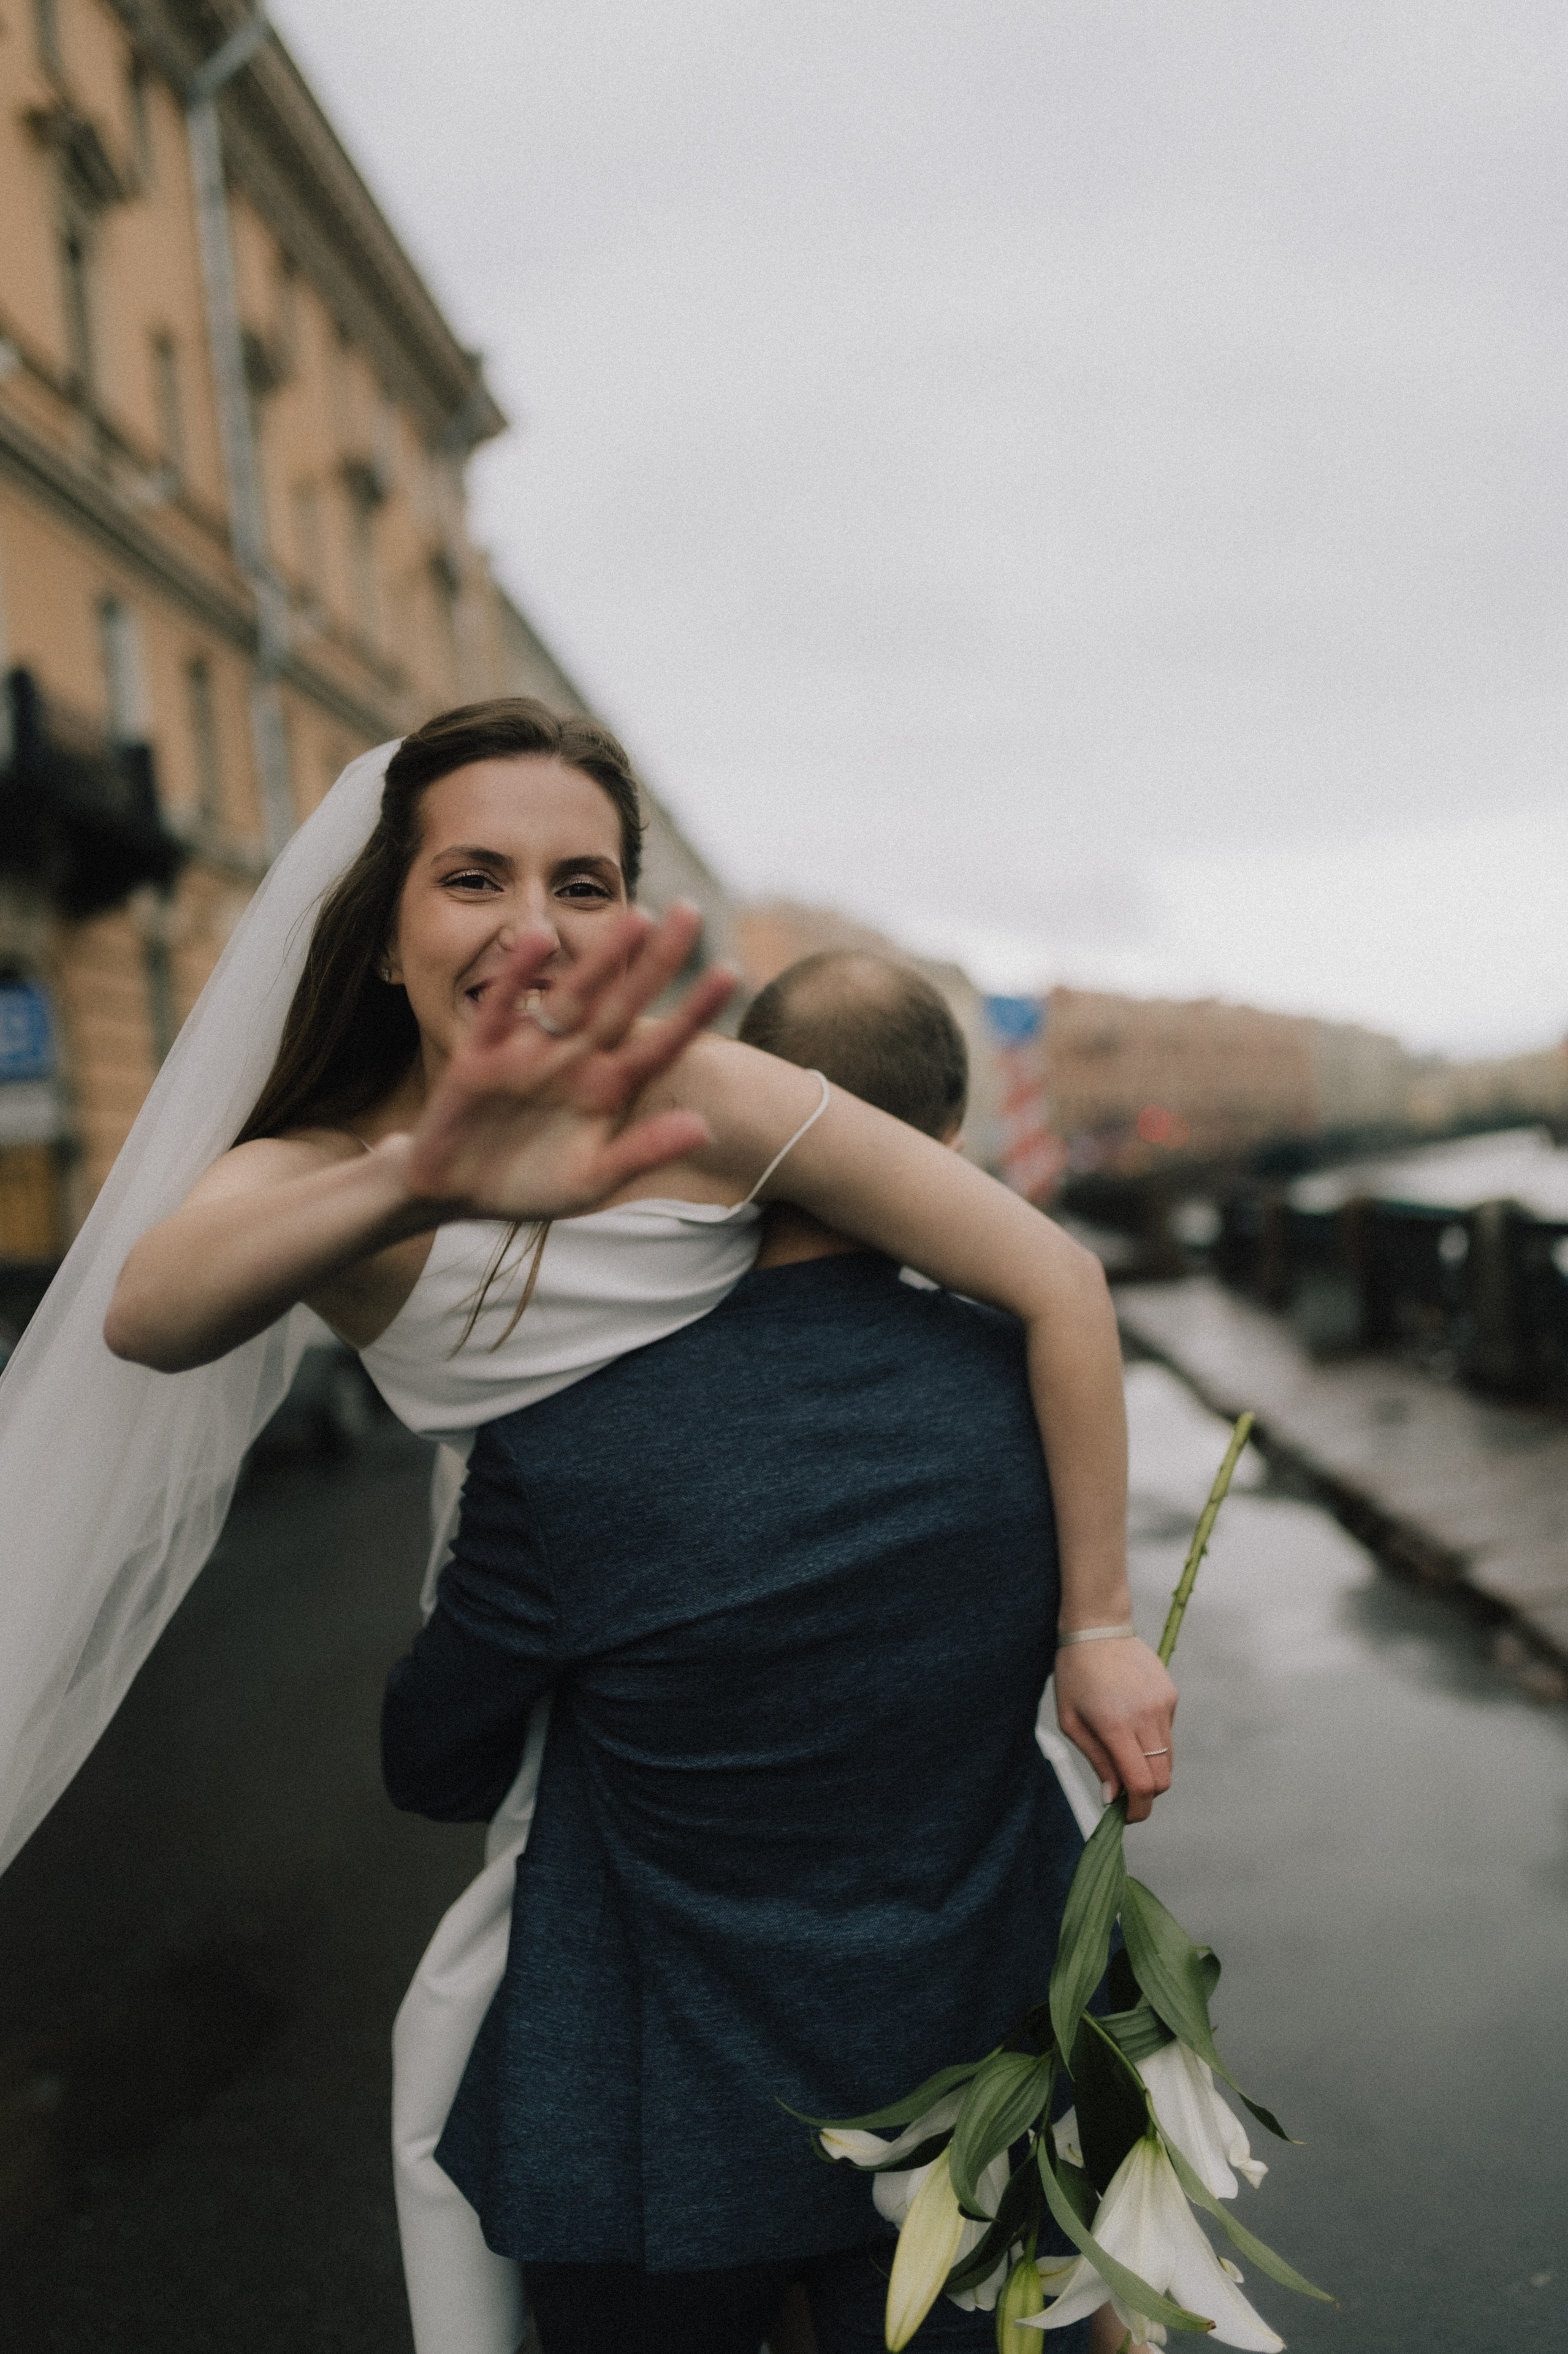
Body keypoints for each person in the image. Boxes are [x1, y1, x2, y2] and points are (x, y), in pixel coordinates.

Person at [0, 699, 1170, 2339]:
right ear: (391, 932)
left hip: (712, 1601)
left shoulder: (697, 1082)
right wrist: (425, 1175)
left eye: (586, 883)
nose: (535, 929)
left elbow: (1047, 1272)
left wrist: (1100, 1626)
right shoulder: (325, 1166)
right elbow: (151, 1312)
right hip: (572, 1626)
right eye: (474, 878)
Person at [379, 950, 1103, 2354]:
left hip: (653, 2123)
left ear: (732, 1120)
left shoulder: (570, 1420)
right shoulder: (1034, 1393)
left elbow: (433, 1763)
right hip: (972, 2082)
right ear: (942, 1147)